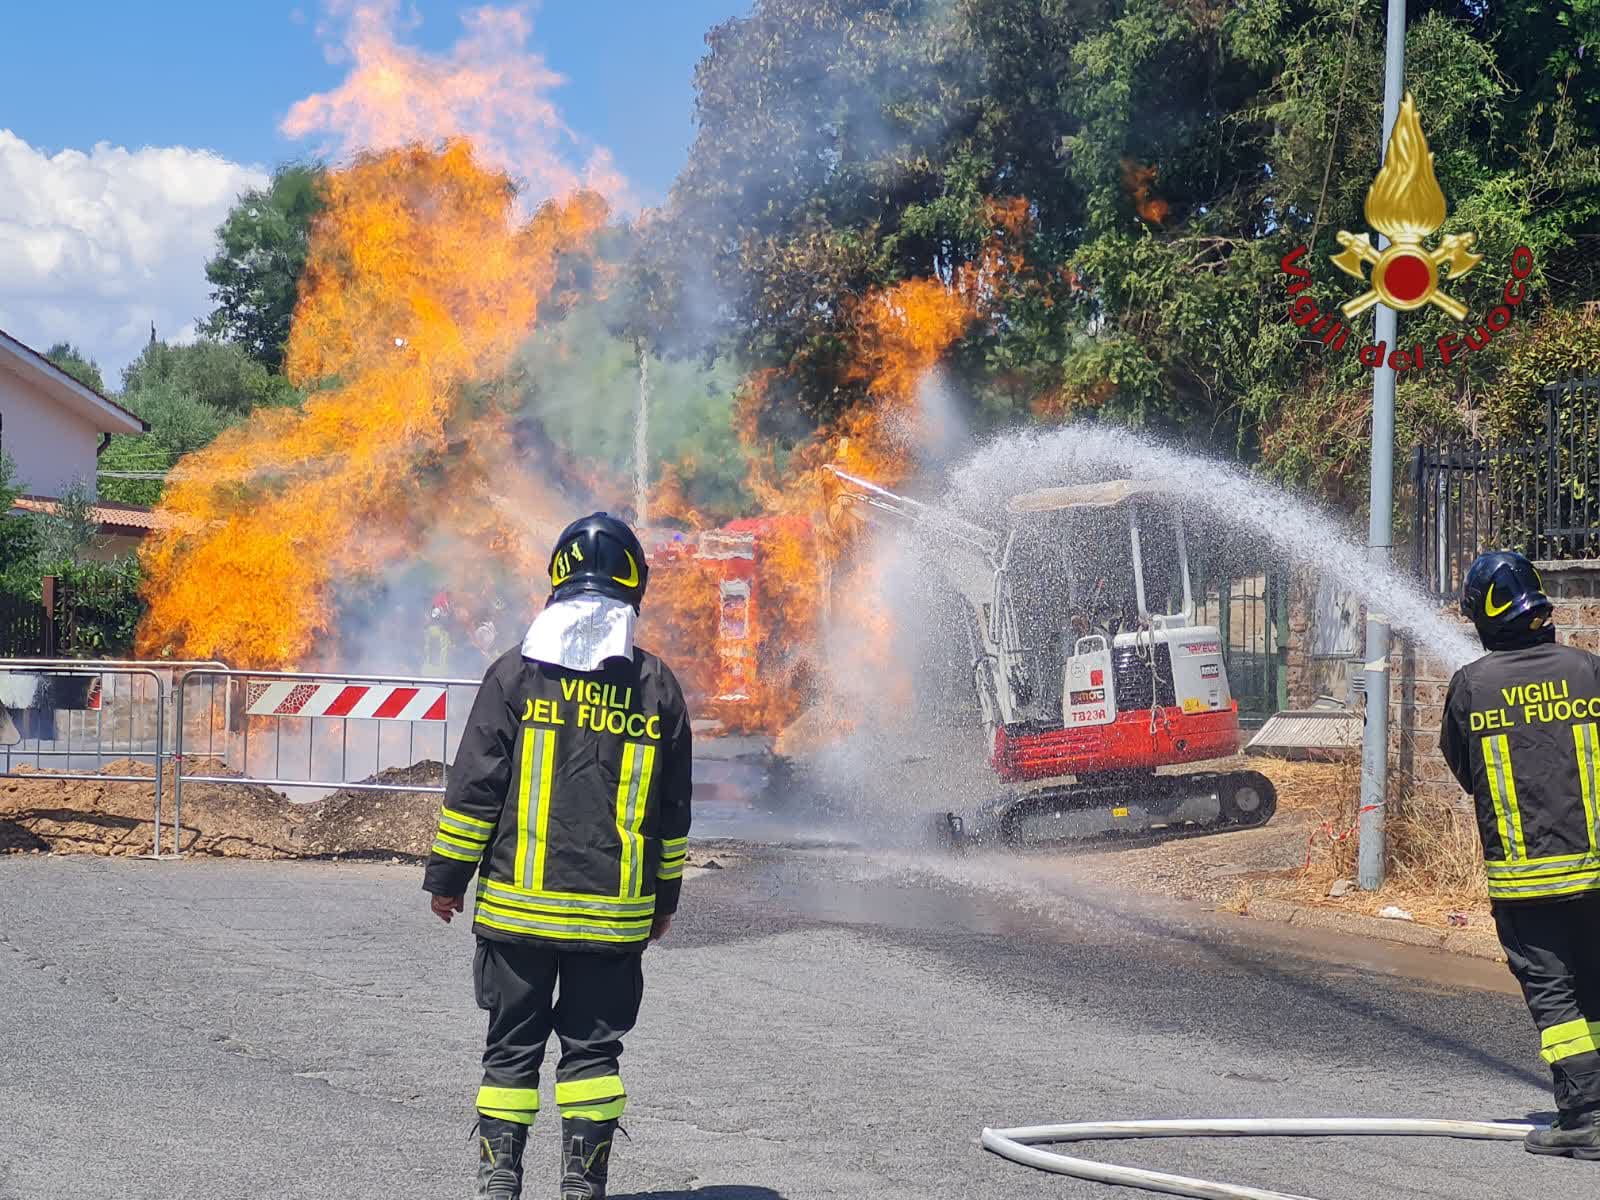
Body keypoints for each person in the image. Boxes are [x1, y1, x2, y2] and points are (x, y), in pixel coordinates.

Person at [423, 512, 692, 1200]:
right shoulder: (655, 685)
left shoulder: (515, 675)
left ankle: (499, 1182)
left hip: (518, 917)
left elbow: (476, 789)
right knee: (594, 1058)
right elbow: (672, 815)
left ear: (557, 581)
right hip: (613, 918)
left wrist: (447, 880)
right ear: (635, 588)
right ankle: (582, 1186)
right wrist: (663, 902)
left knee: (511, 1050)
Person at [1441, 550, 1600, 1160]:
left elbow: (1464, 767)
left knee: (1556, 998)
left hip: (1525, 879)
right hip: (1595, 874)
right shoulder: (1588, 671)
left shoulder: (1472, 686)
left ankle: (1585, 1117)